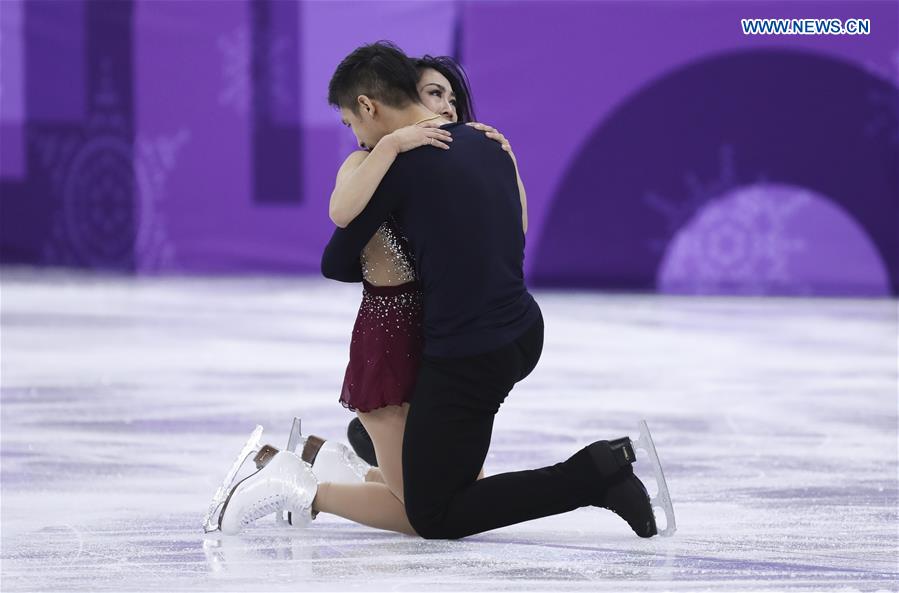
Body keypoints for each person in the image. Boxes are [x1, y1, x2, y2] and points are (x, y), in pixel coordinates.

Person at [210, 41, 667, 540]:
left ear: (368, 106)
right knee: (446, 489)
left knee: (433, 515)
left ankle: (595, 473)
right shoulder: (488, 142)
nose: (355, 136)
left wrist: (391, 188)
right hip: (520, 330)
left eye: (350, 122)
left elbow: (337, 256)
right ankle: (348, 467)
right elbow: (515, 231)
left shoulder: (399, 163)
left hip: (469, 350)